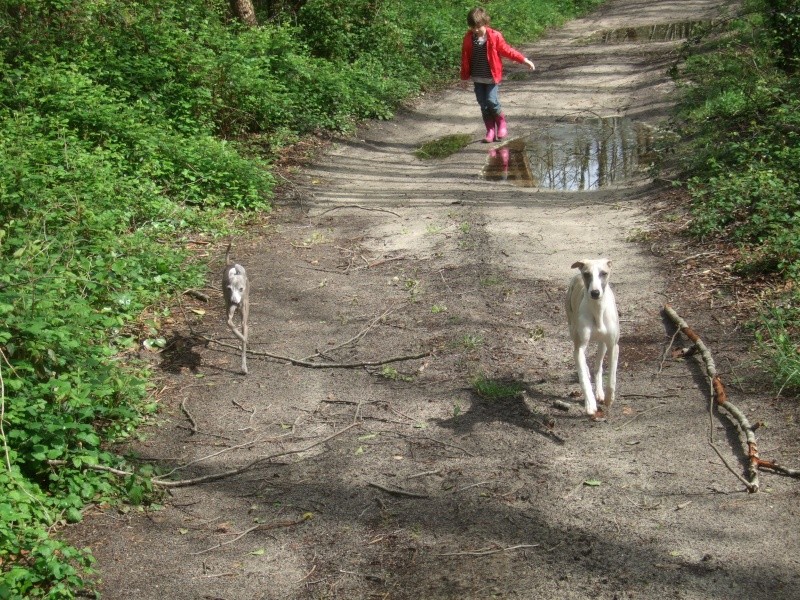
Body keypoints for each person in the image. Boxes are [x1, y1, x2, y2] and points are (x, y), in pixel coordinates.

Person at [460, 7, 536, 143]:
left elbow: (507, 50)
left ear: (485, 23)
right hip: (478, 77)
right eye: (472, 27)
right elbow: (465, 58)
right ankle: (490, 130)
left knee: (491, 101)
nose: (475, 30)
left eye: (478, 26)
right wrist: (464, 78)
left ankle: (501, 123)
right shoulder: (468, 39)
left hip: (491, 77)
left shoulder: (494, 36)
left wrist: (524, 60)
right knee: (483, 105)